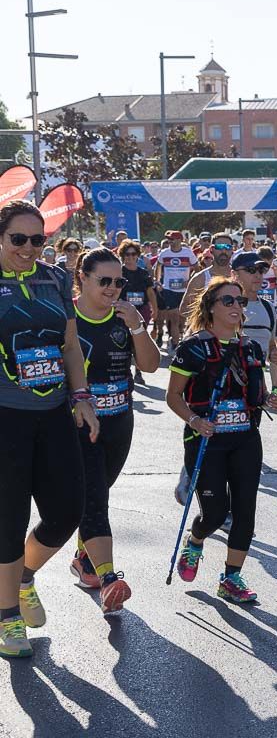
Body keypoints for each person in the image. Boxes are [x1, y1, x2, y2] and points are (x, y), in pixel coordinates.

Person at [0, 201, 99, 658]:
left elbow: (71, 344)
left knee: (66, 510)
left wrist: (83, 399)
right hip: (6, 417)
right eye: (18, 239)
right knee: (8, 519)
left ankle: (23, 577)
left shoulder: (56, 278)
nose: (28, 248)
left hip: (55, 410)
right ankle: (7, 618)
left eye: (37, 240)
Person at [167, 277, 277, 604]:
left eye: (240, 302)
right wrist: (195, 420)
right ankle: (196, 539)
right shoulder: (193, 347)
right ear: (211, 307)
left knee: (246, 512)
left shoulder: (250, 347)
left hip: (245, 439)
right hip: (206, 441)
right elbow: (173, 395)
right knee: (216, 514)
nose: (236, 307)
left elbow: (255, 395)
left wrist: (267, 401)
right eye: (228, 301)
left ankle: (231, 577)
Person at [69, 248, 159, 614]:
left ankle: (84, 559)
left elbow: (151, 366)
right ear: (82, 278)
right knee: (94, 497)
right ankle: (109, 578)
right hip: (79, 423)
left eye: (118, 281)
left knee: (98, 490)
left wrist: (138, 324)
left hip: (120, 419)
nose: (112, 288)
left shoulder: (125, 317)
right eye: (103, 280)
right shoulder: (67, 316)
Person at [231, 252, 277, 396]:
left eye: (261, 271)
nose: (258, 275)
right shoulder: (223, 303)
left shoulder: (269, 308)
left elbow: (271, 344)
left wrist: (273, 353)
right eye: (250, 270)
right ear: (234, 274)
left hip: (255, 386)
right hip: (224, 385)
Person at [117, 240, 157, 385]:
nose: (130, 257)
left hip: (142, 310)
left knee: (140, 340)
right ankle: (124, 369)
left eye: (133, 254)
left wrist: (155, 309)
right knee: (125, 341)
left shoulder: (143, 273)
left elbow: (150, 292)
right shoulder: (118, 272)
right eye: (127, 254)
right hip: (122, 310)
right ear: (122, 256)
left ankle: (138, 372)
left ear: (138, 256)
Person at [156, 231, 198, 351]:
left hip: (184, 290)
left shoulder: (188, 252)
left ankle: (182, 337)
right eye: (169, 239)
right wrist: (157, 281)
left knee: (183, 318)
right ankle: (175, 345)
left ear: (180, 240)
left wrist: (189, 280)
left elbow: (197, 268)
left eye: (172, 239)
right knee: (174, 317)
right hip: (169, 290)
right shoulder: (165, 253)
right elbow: (158, 267)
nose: (170, 241)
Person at [180, 233, 236, 318]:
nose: (224, 251)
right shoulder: (200, 278)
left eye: (228, 247)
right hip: (207, 329)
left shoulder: (239, 276)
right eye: (219, 247)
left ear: (232, 250)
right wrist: (207, 317)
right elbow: (184, 309)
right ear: (211, 250)